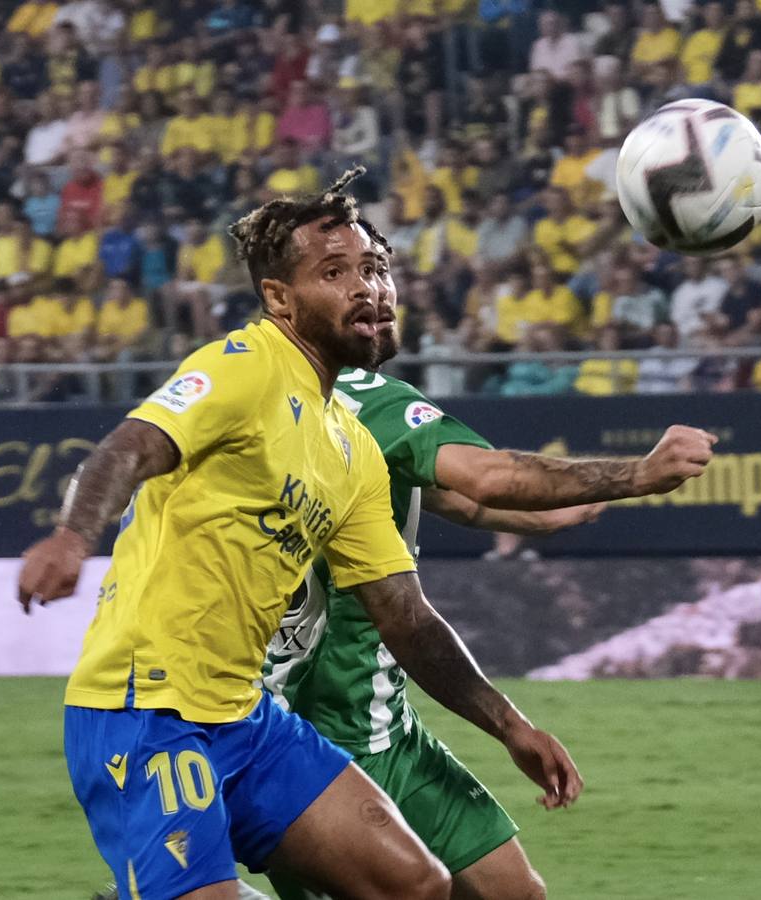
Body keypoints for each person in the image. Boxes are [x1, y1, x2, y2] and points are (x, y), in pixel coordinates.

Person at [19, 171, 716, 900]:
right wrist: (72, 537)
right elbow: (132, 445)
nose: (368, 289)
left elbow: (408, 619)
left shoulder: (348, 446)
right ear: (278, 298)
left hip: (244, 717)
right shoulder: (245, 368)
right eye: (335, 273)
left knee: (413, 884)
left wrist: (510, 726)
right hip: (145, 709)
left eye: (375, 269)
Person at [264, 245, 713, 900]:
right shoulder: (372, 401)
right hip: (317, 744)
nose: (377, 294)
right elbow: (488, 475)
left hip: (386, 726)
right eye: (349, 278)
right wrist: (639, 474)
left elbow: (463, 497)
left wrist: (561, 504)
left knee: (517, 893)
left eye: (382, 273)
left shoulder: (270, 395)